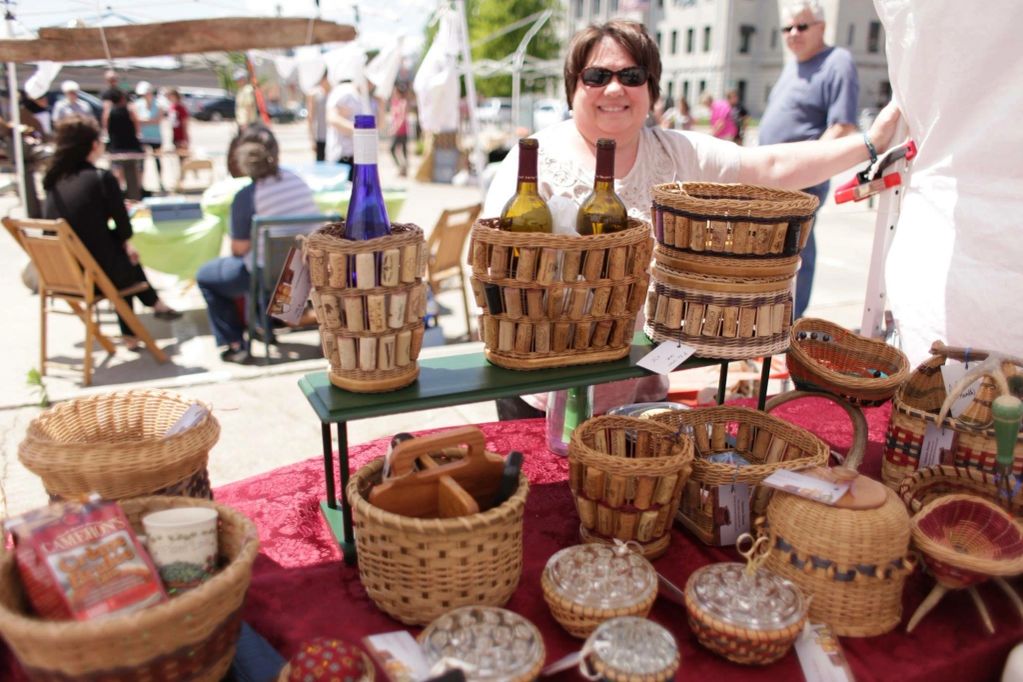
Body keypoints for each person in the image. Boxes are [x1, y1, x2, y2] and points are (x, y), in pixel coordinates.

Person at [483, 19, 898, 419]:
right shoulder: (534, 159)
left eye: (632, 75)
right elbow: (493, 270)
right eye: (596, 76)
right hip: (544, 398)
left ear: (651, 89)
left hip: (638, 389)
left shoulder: (674, 152)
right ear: (573, 87)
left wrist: (870, 143)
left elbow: (770, 166)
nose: (614, 88)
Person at [758, 0, 859, 320]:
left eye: (802, 26)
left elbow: (842, 126)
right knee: (770, 252)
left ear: (821, 27)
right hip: (771, 178)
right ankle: (770, 322)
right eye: (787, 28)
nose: (793, 33)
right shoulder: (792, 66)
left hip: (802, 179)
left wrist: (809, 168)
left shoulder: (837, 62)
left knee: (795, 249)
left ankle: (789, 324)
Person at [41, 116, 180, 350]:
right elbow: (125, 228)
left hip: (62, 275)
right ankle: (149, 311)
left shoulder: (54, 182)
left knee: (119, 255)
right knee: (125, 258)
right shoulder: (100, 178)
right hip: (93, 277)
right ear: (94, 145)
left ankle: (150, 312)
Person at [195, 126, 318, 363]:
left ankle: (235, 344)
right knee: (265, 262)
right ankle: (266, 323)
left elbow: (239, 249)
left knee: (206, 276)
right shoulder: (298, 181)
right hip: (302, 272)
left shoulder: (247, 197)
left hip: (269, 276)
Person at [105, 89, 144, 201]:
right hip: (130, 146)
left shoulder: (109, 112)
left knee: (118, 171)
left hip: (117, 145)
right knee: (133, 171)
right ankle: (134, 195)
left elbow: (106, 127)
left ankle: (119, 194)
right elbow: (137, 126)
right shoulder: (130, 110)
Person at [325, 76, 365, 179]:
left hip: (352, 155)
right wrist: (360, 131)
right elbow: (332, 118)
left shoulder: (354, 93)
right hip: (343, 157)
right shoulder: (344, 90)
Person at [133, 81, 166, 192]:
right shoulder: (138, 104)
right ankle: (141, 185)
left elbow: (157, 120)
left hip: (156, 137)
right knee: (141, 162)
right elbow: (137, 120)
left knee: (158, 160)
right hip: (143, 137)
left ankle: (161, 182)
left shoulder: (159, 104)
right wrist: (149, 121)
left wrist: (145, 121)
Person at [306, 72, 330, 162]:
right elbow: (310, 118)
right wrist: (312, 139)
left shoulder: (335, 92)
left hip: (333, 138)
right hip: (320, 137)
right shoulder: (314, 94)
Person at [389, 83, 410, 177]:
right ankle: (401, 168)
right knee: (393, 149)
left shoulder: (403, 103)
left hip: (402, 131)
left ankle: (404, 169)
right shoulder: (394, 102)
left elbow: (402, 118)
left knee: (402, 150)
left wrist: (394, 129)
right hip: (397, 130)